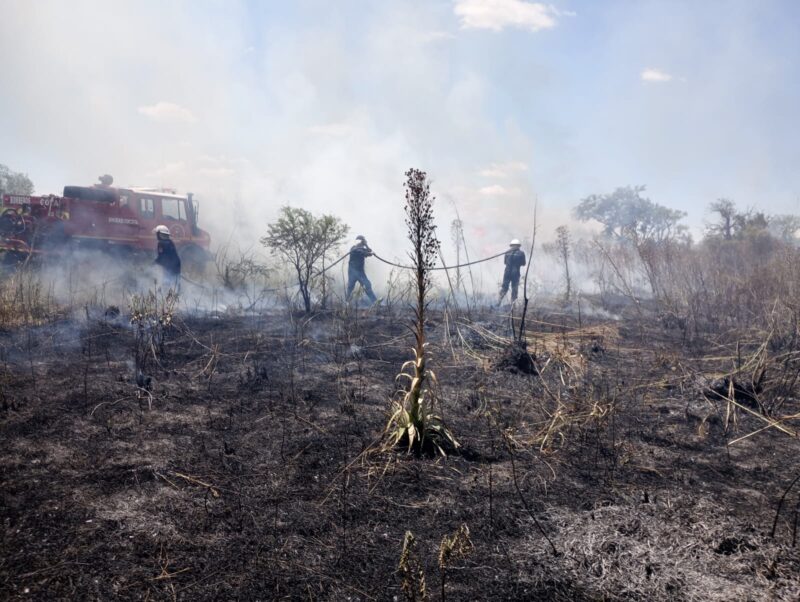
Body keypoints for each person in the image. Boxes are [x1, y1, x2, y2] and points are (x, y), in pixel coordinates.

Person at [346, 235, 378, 304]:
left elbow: (369, 250)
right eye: (362, 242)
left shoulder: (361, 248)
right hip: (353, 272)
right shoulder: (354, 248)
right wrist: (369, 253)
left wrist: (366, 245)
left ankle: (375, 302)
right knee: (350, 287)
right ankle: (346, 302)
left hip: (360, 272)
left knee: (367, 285)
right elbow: (363, 252)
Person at [153, 225, 181, 290]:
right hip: (176, 264)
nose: (156, 236)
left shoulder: (161, 243)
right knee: (176, 281)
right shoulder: (170, 242)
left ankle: (165, 294)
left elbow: (162, 257)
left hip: (170, 265)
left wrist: (154, 263)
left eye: (157, 234)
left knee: (167, 281)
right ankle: (177, 294)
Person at [498, 238, 526, 304]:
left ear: (511, 245)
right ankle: (512, 305)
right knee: (514, 289)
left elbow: (505, 262)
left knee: (504, 288)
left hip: (507, 272)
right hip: (515, 273)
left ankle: (499, 301)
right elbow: (523, 263)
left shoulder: (507, 252)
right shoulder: (521, 253)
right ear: (519, 246)